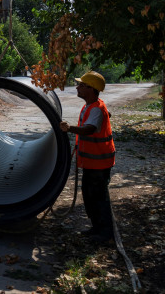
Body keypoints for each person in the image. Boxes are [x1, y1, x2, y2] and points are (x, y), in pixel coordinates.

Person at [59, 71, 116, 244]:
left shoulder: (96, 108)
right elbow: (102, 117)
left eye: (81, 85)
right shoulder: (92, 106)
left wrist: (69, 128)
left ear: (91, 89)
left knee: (98, 197)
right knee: (90, 196)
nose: (77, 87)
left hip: (99, 163)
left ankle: (105, 233)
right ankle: (97, 228)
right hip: (92, 162)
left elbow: (90, 129)